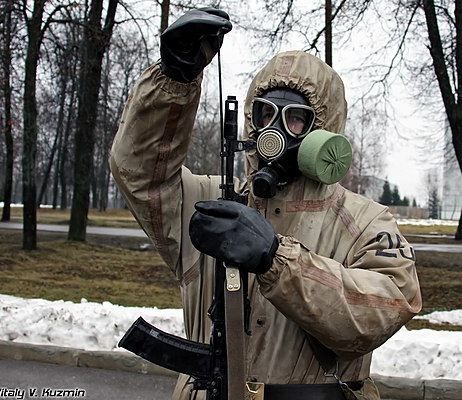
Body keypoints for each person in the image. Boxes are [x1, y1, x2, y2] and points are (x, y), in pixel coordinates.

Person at [110, 7, 421, 400]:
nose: (275, 130)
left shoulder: (363, 222)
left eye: (296, 119)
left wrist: (277, 259)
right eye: (266, 112)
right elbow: (139, 171)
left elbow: (385, 308)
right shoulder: (211, 204)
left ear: (323, 131)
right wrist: (174, 79)